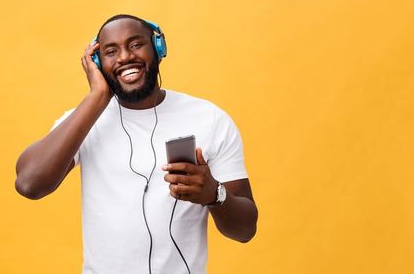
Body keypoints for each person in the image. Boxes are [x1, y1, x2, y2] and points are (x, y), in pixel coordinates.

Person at [14, 14, 258, 274]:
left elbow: (245, 230)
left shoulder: (210, 119)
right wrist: (97, 96)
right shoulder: (83, 121)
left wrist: (214, 194)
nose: (124, 57)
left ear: (157, 48)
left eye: (135, 44)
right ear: (96, 62)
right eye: (110, 51)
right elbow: (29, 184)